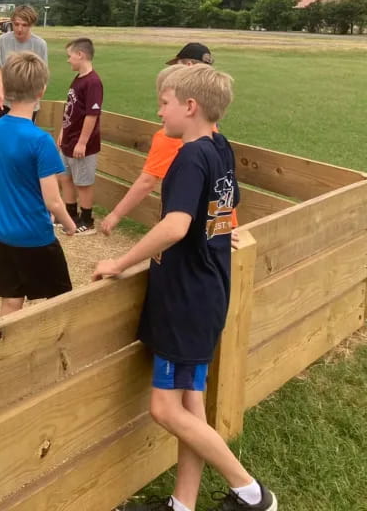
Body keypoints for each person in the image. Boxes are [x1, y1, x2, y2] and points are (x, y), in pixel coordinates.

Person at [94, 65, 277, 511]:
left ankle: (253, 494)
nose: (159, 112)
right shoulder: (221, 148)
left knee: (164, 409)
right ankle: (183, 504)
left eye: (165, 102)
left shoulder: (189, 157)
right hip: (209, 290)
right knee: (191, 404)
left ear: (189, 106)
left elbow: (176, 225)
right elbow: (223, 209)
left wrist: (119, 261)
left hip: (186, 299)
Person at [0, 51, 77, 317]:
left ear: (8, 87)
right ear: (42, 90)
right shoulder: (40, 140)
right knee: (61, 302)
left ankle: (5, 356)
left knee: (11, 301)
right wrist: (70, 225)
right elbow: (52, 201)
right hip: (33, 236)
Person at [101, 43, 217, 237]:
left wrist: (115, 214)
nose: (159, 111)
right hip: (217, 225)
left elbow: (147, 181)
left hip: (193, 232)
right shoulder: (210, 126)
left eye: (164, 102)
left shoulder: (170, 137)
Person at [57, 37, 103, 235]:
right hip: (68, 140)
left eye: (70, 56)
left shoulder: (93, 82)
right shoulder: (78, 79)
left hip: (81, 144)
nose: (68, 60)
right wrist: (62, 132)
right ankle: (70, 215)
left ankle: (87, 220)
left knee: (83, 183)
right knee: (65, 178)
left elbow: (92, 114)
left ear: (80, 55)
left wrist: (82, 142)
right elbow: (71, 108)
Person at [0, 5, 48, 122]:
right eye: (16, 24)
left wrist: (34, 99)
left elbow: (42, 78)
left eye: (24, 25)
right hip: (5, 103)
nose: (19, 29)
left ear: (31, 25)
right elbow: (1, 70)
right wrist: (0, 93)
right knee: (0, 136)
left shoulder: (40, 44)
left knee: (23, 139)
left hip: (28, 106)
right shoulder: (3, 40)